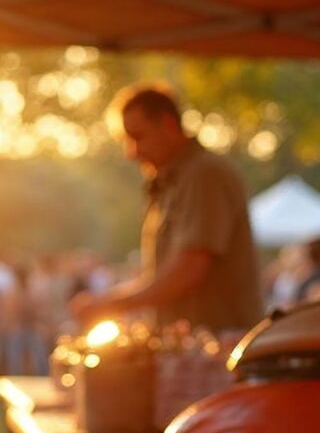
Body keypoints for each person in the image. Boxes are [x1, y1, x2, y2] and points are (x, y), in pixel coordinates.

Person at [70, 83, 263, 333]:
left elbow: (190, 267)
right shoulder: (172, 182)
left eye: (137, 137)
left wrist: (112, 304)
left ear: (169, 124)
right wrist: (109, 302)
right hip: (192, 348)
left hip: (217, 348)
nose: (131, 152)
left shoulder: (205, 174)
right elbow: (162, 276)